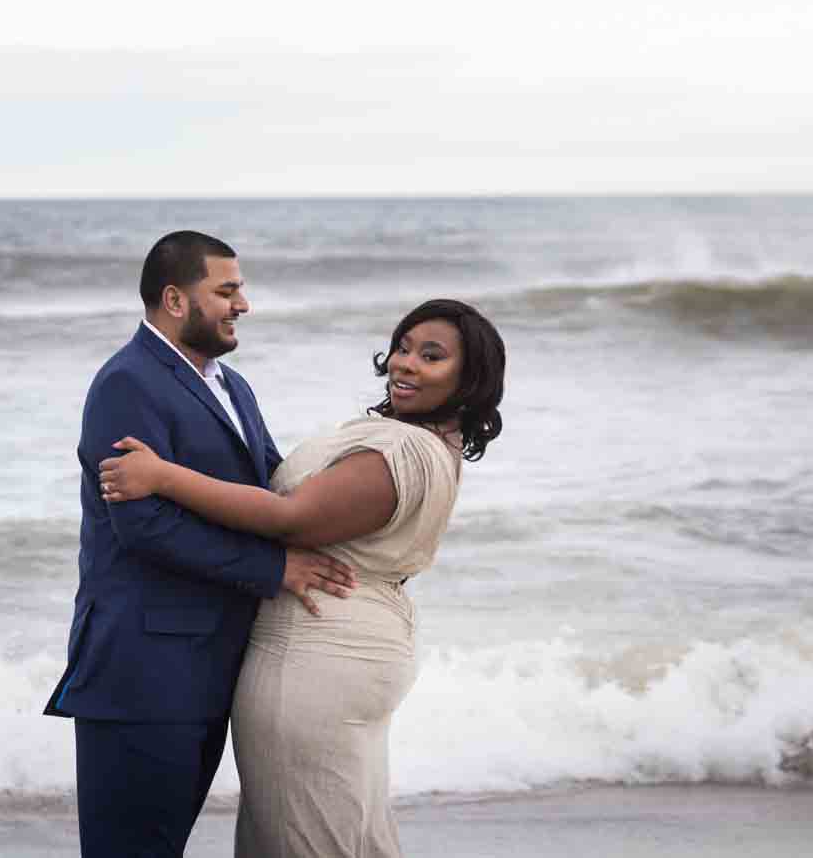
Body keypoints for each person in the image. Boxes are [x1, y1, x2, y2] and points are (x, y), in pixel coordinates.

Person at [98, 297, 506, 858]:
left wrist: (163, 476)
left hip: (317, 654)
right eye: (403, 347)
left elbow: (291, 518)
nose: (406, 364)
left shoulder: (403, 448)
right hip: (351, 644)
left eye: (431, 356)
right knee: (351, 836)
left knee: (302, 839)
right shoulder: (422, 442)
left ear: (469, 379)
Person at [44, 231, 357, 857]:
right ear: (175, 299)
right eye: (227, 290)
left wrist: (372, 468)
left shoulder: (232, 385)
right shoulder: (126, 383)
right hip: (142, 671)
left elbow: (274, 486)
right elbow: (144, 526)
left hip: (209, 668)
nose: (243, 304)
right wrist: (276, 569)